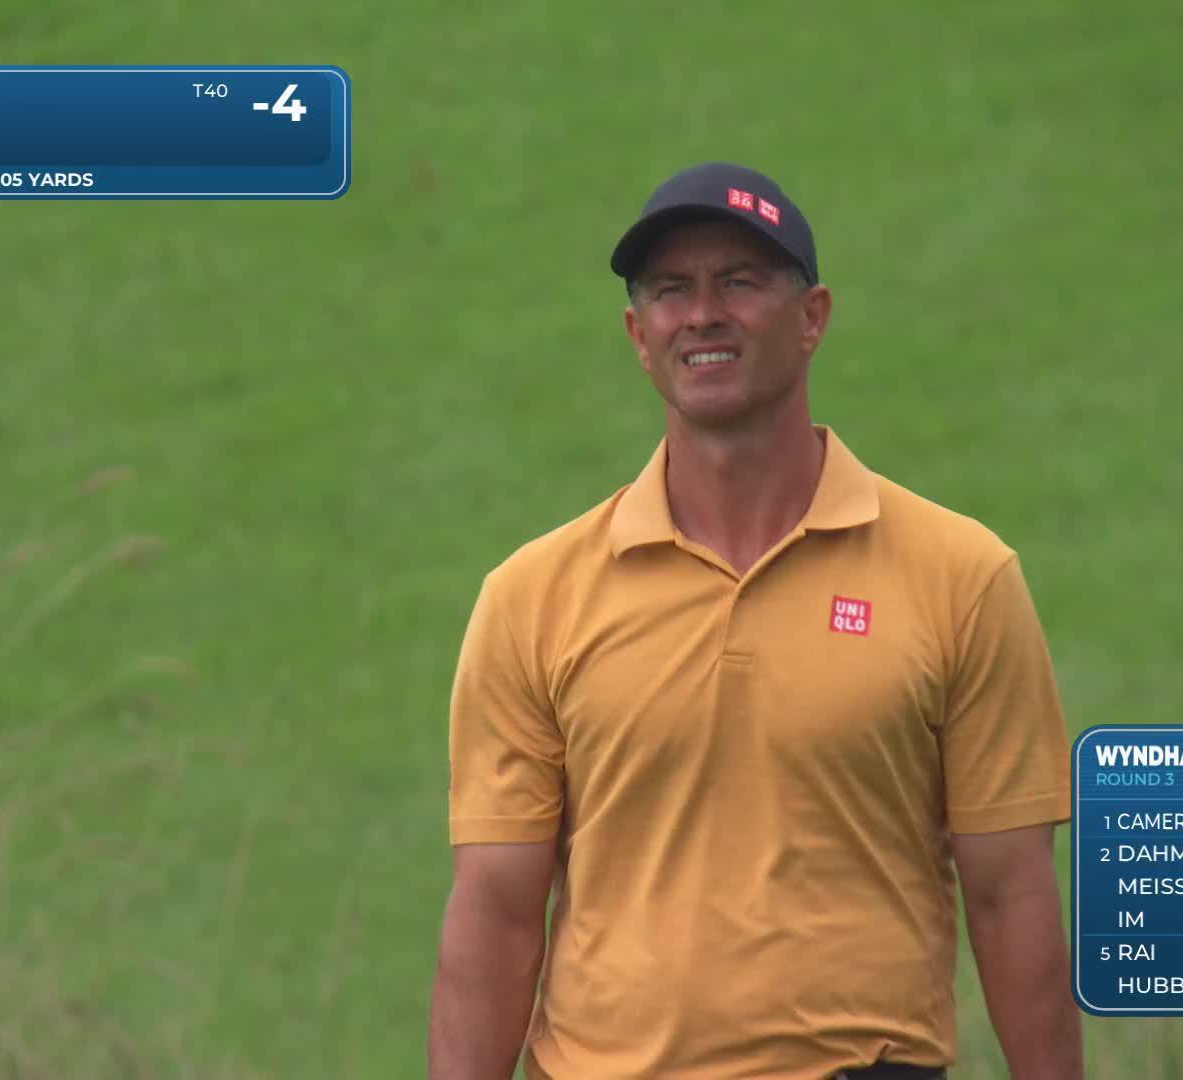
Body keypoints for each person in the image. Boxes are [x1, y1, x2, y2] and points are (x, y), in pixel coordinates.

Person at [428, 162, 1082, 1080]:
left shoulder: (960, 577)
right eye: (670, 290)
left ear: (811, 318)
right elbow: (495, 914)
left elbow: (1013, 895)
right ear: (637, 334)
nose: (702, 314)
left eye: (738, 282)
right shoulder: (532, 598)